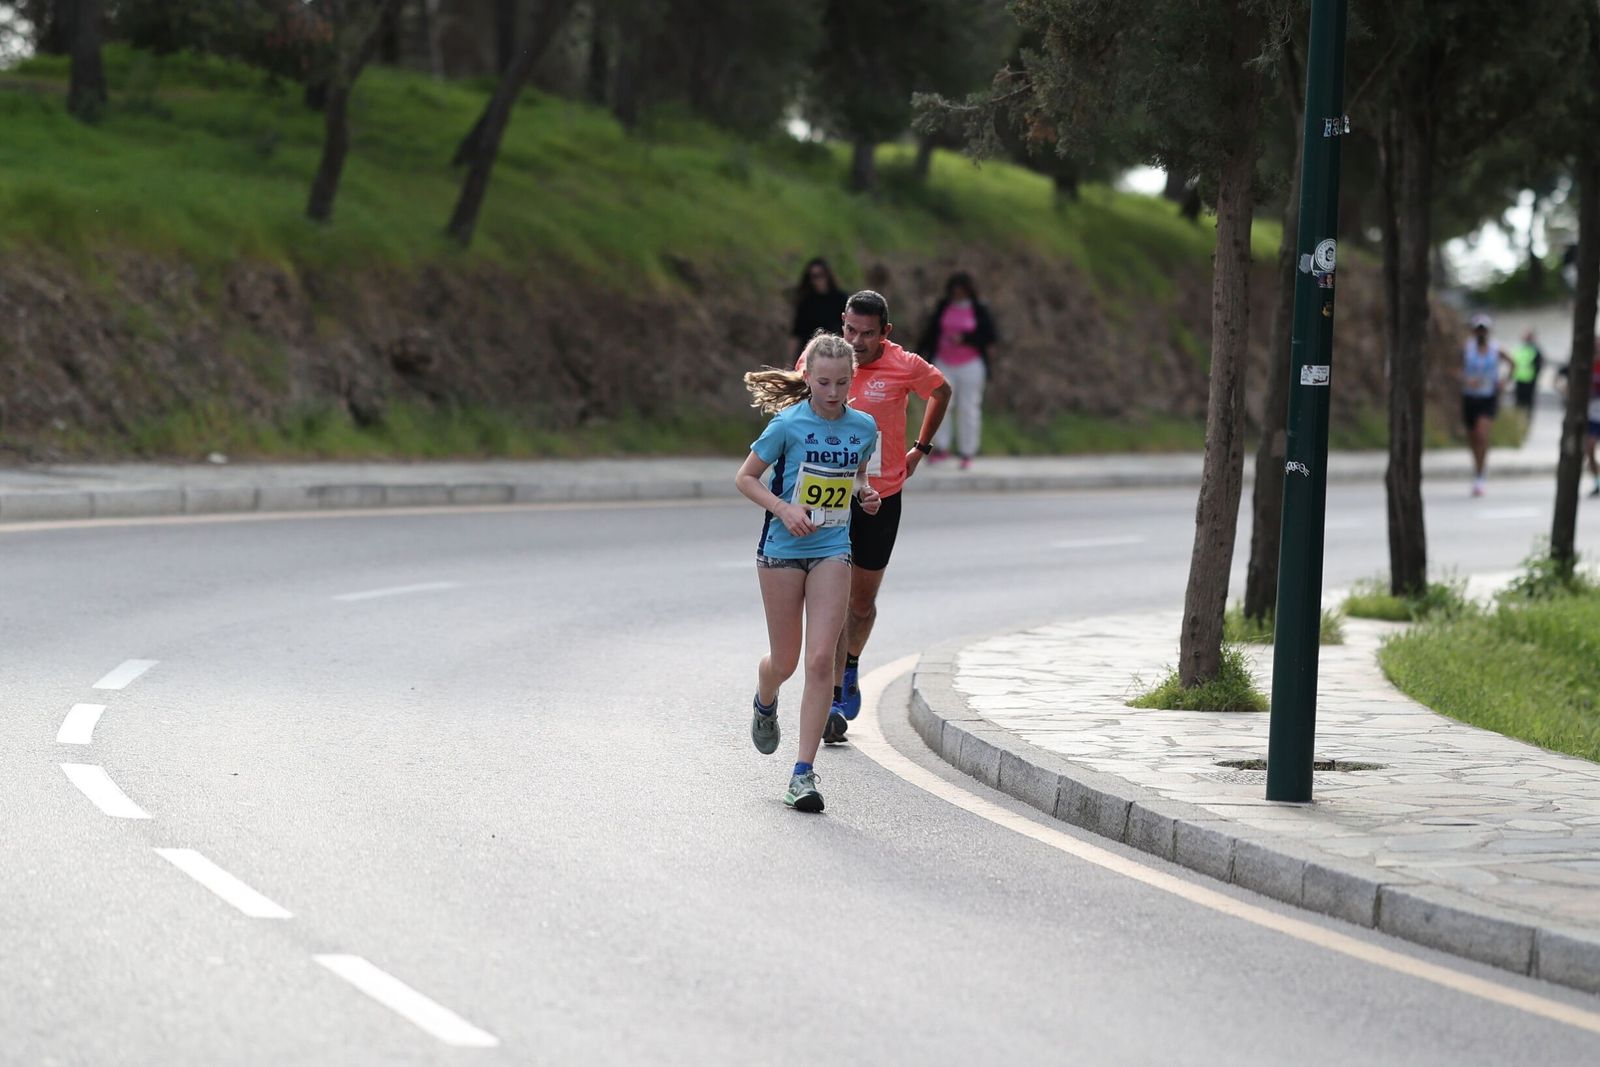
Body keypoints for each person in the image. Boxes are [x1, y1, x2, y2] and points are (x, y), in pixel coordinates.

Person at [737, 333, 881, 812]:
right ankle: (765, 694)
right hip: (782, 549)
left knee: (822, 661)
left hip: (832, 549)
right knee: (787, 662)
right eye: (823, 382)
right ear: (808, 379)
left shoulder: (864, 427)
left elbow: (859, 476)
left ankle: (803, 774)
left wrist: (866, 494)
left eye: (842, 383)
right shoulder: (788, 424)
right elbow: (745, 478)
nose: (833, 392)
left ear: (852, 379)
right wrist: (784, 509)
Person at [799, 290, 951, 742]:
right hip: (828, 496)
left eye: (868, 334)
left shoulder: (905, 365)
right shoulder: (823, 358)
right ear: (841, 323)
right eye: (850, 330)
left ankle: (849, 665)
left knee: (859, 604)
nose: (857, 341)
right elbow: (796, 399)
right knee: (829, 599)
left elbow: (942, 391)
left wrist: (920, 450)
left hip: (880, 496)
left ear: (886, 332)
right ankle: (825, 702)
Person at [918, 271, 997, 470]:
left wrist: (966, 339)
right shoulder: (944, 306)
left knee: (968, 408)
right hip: (944, 362)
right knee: (940, 405)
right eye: (954, 291)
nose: (957, 295)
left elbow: (990, 336)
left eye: (961, 292)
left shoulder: (978, 309)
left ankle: (967, 451)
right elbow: (931, 332)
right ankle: (941, 447)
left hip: (970, 364)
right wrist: (920, 355)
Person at [1461, 312, 1514, 497]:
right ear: (1473, 331)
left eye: (1484, 330)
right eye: (1478, 330)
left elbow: (1512, 363)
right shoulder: (1466, 349)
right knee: (1473, 438)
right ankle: (1477, 468)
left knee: (1482, 435)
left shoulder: (1495, 349)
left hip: (1488, 397)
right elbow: (1449, 368)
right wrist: (1466, 380)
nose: (1481, 333)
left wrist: (1504, 381)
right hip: (1470, 398)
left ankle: (1480, 475)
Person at [789, 258, 848, 363]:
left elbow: (848, 329)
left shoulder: (840, 299)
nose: (818, 280)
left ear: (827, 275)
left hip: (834, 352)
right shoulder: (806, 302)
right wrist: (790, 363)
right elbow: (797, 333)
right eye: (814, 276)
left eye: (821, 275)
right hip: (810, 354)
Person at [1509, 329, 1544, 424]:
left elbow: (1540, 365)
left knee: (1528, 403)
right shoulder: (1520, 349)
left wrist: (1535, 376)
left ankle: (1526, 422)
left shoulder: (1535, 350)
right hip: (1519, 379)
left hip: (1530, 381)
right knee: (1518, 402)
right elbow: (1514, 363)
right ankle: (1518, 421)